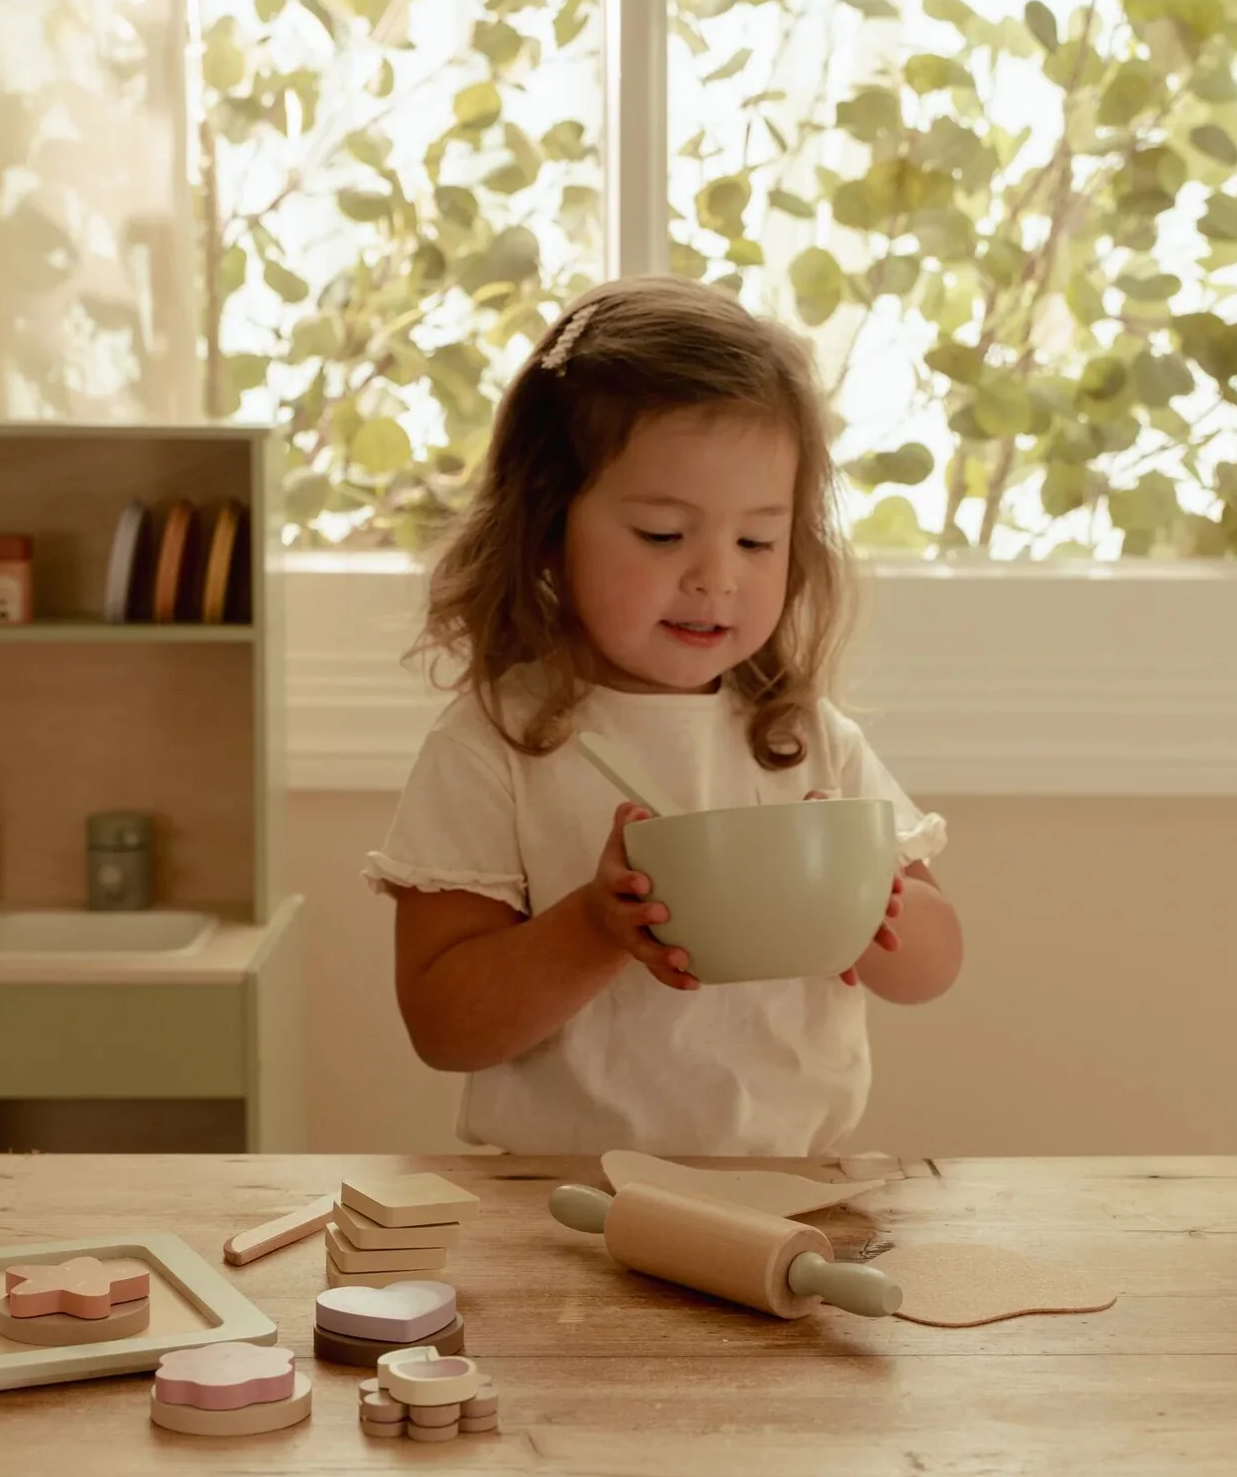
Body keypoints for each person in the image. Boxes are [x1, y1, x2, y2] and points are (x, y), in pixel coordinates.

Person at [365, 275, 964, 1154]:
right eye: (661, 534)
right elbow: (444, 1026)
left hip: (794, 1190)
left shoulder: (801, 738)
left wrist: (870, 901)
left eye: (757, 540)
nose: (716, 576)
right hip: (558, 1201)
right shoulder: (497, 744)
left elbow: (934, 969)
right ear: (546, 529)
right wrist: (594, 927)